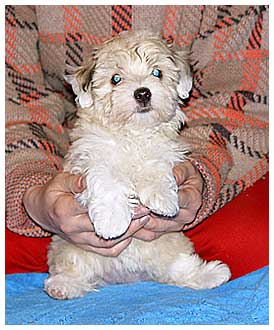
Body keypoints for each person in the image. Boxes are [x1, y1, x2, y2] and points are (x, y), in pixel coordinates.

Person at [6, 5, 269, 279]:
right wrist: (33, 194)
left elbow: (247, 97)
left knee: (257, 241)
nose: (141, 90)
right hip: (45, 157)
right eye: (117, 79)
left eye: (156, 73)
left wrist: (203, 172)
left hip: (206, 139)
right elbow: (12, 103)